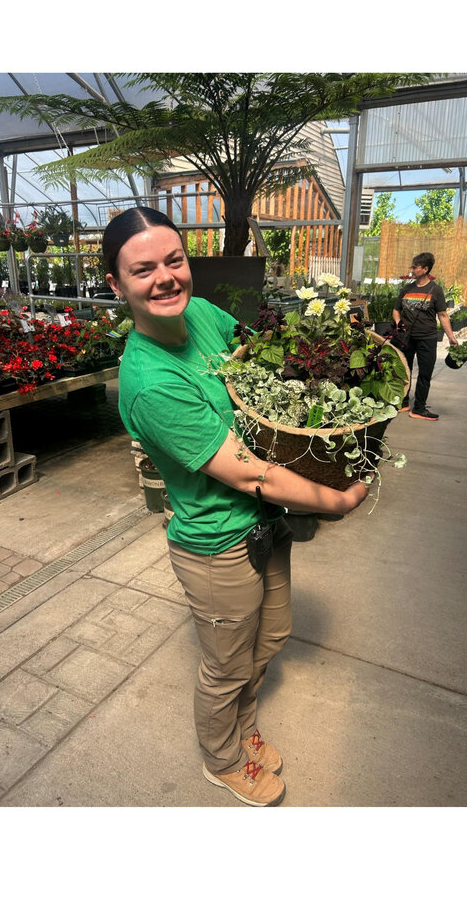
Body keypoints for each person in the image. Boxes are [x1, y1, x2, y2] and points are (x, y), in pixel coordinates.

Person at [104, 207, 370, 807]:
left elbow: (256, 358)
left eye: (174, 260)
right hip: (217, 544)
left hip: (264, 528)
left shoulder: (199, 313)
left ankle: (242, 727)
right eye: (143, 269)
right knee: (225, 666)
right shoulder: (150, 383)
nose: (166, 278)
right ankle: (221, 757)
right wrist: (335, 500)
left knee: (271, 636)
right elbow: (250, 475)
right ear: (117, 285)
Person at [392, 252, 458, 421]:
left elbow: (442, 315)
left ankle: (419, 408)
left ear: (425, 269)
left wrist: (451, 336)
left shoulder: (435, 290)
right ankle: (403, 402)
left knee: (425, 373)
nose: (411, 270)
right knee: (404, 371)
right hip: (406, 337)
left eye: (415, 267)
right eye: (412, 266)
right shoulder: (406, 289)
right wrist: (398, 324)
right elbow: (396, 309)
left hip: (427, 338)